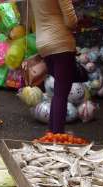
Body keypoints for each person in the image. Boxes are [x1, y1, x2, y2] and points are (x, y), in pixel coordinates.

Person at [32, 0, 77, 134]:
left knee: (57, 93)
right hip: (60, 42)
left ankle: (52, 133)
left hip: (43, 43)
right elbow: (71, 20)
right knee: (61, 93)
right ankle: (57, 135)